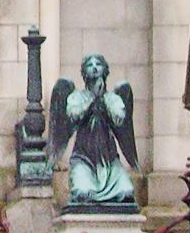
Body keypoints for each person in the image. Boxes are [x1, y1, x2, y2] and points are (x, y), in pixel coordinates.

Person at [49, 52, 139, 210]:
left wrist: (103, 98)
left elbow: (119, 119)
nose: (95, 67)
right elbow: (73, 116)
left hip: (109, 162)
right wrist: (92, 98)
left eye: (98, 64)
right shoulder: (76, 96)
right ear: (84, 73)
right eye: (90, 65)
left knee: (126, 193)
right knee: (83, 193)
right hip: (83, 159)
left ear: (105, 70)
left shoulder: (113, 98)